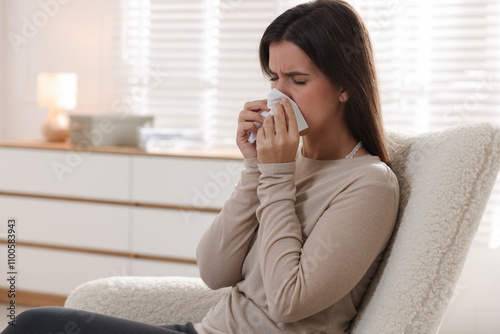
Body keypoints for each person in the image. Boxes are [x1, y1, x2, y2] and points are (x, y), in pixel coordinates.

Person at [1, 1, 399, 333]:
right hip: (205, 329)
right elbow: (214, 270)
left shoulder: (369, 185)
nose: (278, 95)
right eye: (273, 77)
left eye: (297, 79)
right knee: (37, 324)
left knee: (36, 326)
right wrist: (256, 169)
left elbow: (286, 302)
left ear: (346, 86)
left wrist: (276, 177)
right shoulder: (286, 162)